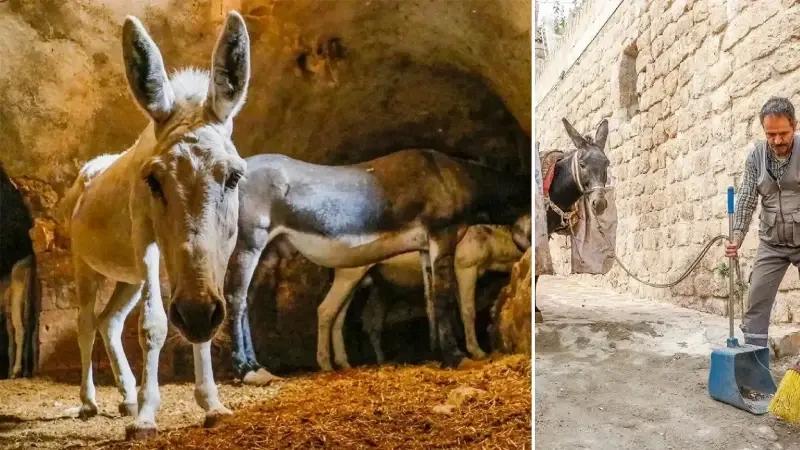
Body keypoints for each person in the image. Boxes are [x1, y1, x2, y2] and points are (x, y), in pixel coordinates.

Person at [727, 96, 800, 347]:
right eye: (771, 135)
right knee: (756, 301)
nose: (777, 141)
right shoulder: (756, 157)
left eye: (783, 133)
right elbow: (747, 198)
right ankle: (754, 368)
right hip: (772, 242)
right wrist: (736, 236)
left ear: (795, 126)